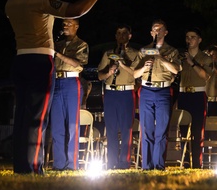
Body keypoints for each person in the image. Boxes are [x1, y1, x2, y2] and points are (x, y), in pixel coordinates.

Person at [5, 0, 111, 175]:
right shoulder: (41, 0)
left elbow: (23, 4)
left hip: (20, 60)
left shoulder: (11, 3)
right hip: (40, 61)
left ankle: (21, 167)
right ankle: (34, 168)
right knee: (38, 117)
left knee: (23, 117)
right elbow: (76, 10)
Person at [132, 20, 182, 170]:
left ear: (165, 33)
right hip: (146, 90)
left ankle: (158, 165)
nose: (157, 32)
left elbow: (176, 70)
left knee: (161, 129)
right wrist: (144, 67)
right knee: (147, 129)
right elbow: (134, 73)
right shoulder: (143, 51)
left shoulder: (172, 51)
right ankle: (146, 166)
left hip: (163, 91)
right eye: (154, 29)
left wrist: (160, 57)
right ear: (151, 33)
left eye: (160, 29)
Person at [96, 25, 140, 169]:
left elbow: (137, 74)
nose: (121, 36)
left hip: (126, 93)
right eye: (119, 33)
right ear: (115, 36)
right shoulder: (108, 53)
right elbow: (99, 75)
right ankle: (111, 161)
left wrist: (123, 63)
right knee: (111, 128)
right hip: (111, 93)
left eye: (125, 33)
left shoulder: (135, 54)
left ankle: (124, 162)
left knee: (126, 128)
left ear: (130, 36)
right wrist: (108, 72)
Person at [48, 18, 89, 170]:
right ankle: (59, 164)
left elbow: (78, 64)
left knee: (72, 125)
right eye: (64, 24)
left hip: (71, 83)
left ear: (76, 27)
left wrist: (57, 54)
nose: (65, 26)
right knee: (57, 125)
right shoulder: (56, 44)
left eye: (68, 24)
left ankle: (72, 164)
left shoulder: (81, 44)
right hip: (56, 82)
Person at [176, 28, 213, 169]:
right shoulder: (181, 57)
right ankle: (185, 162)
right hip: (183, 94)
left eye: (192, 37)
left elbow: (205, 76)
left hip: (198, 94)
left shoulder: (205, 57)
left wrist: (192, 62)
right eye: (187, 37)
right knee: (183, 130)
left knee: (198, 130)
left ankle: (197, 163)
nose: (189, 40)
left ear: (199, 40)